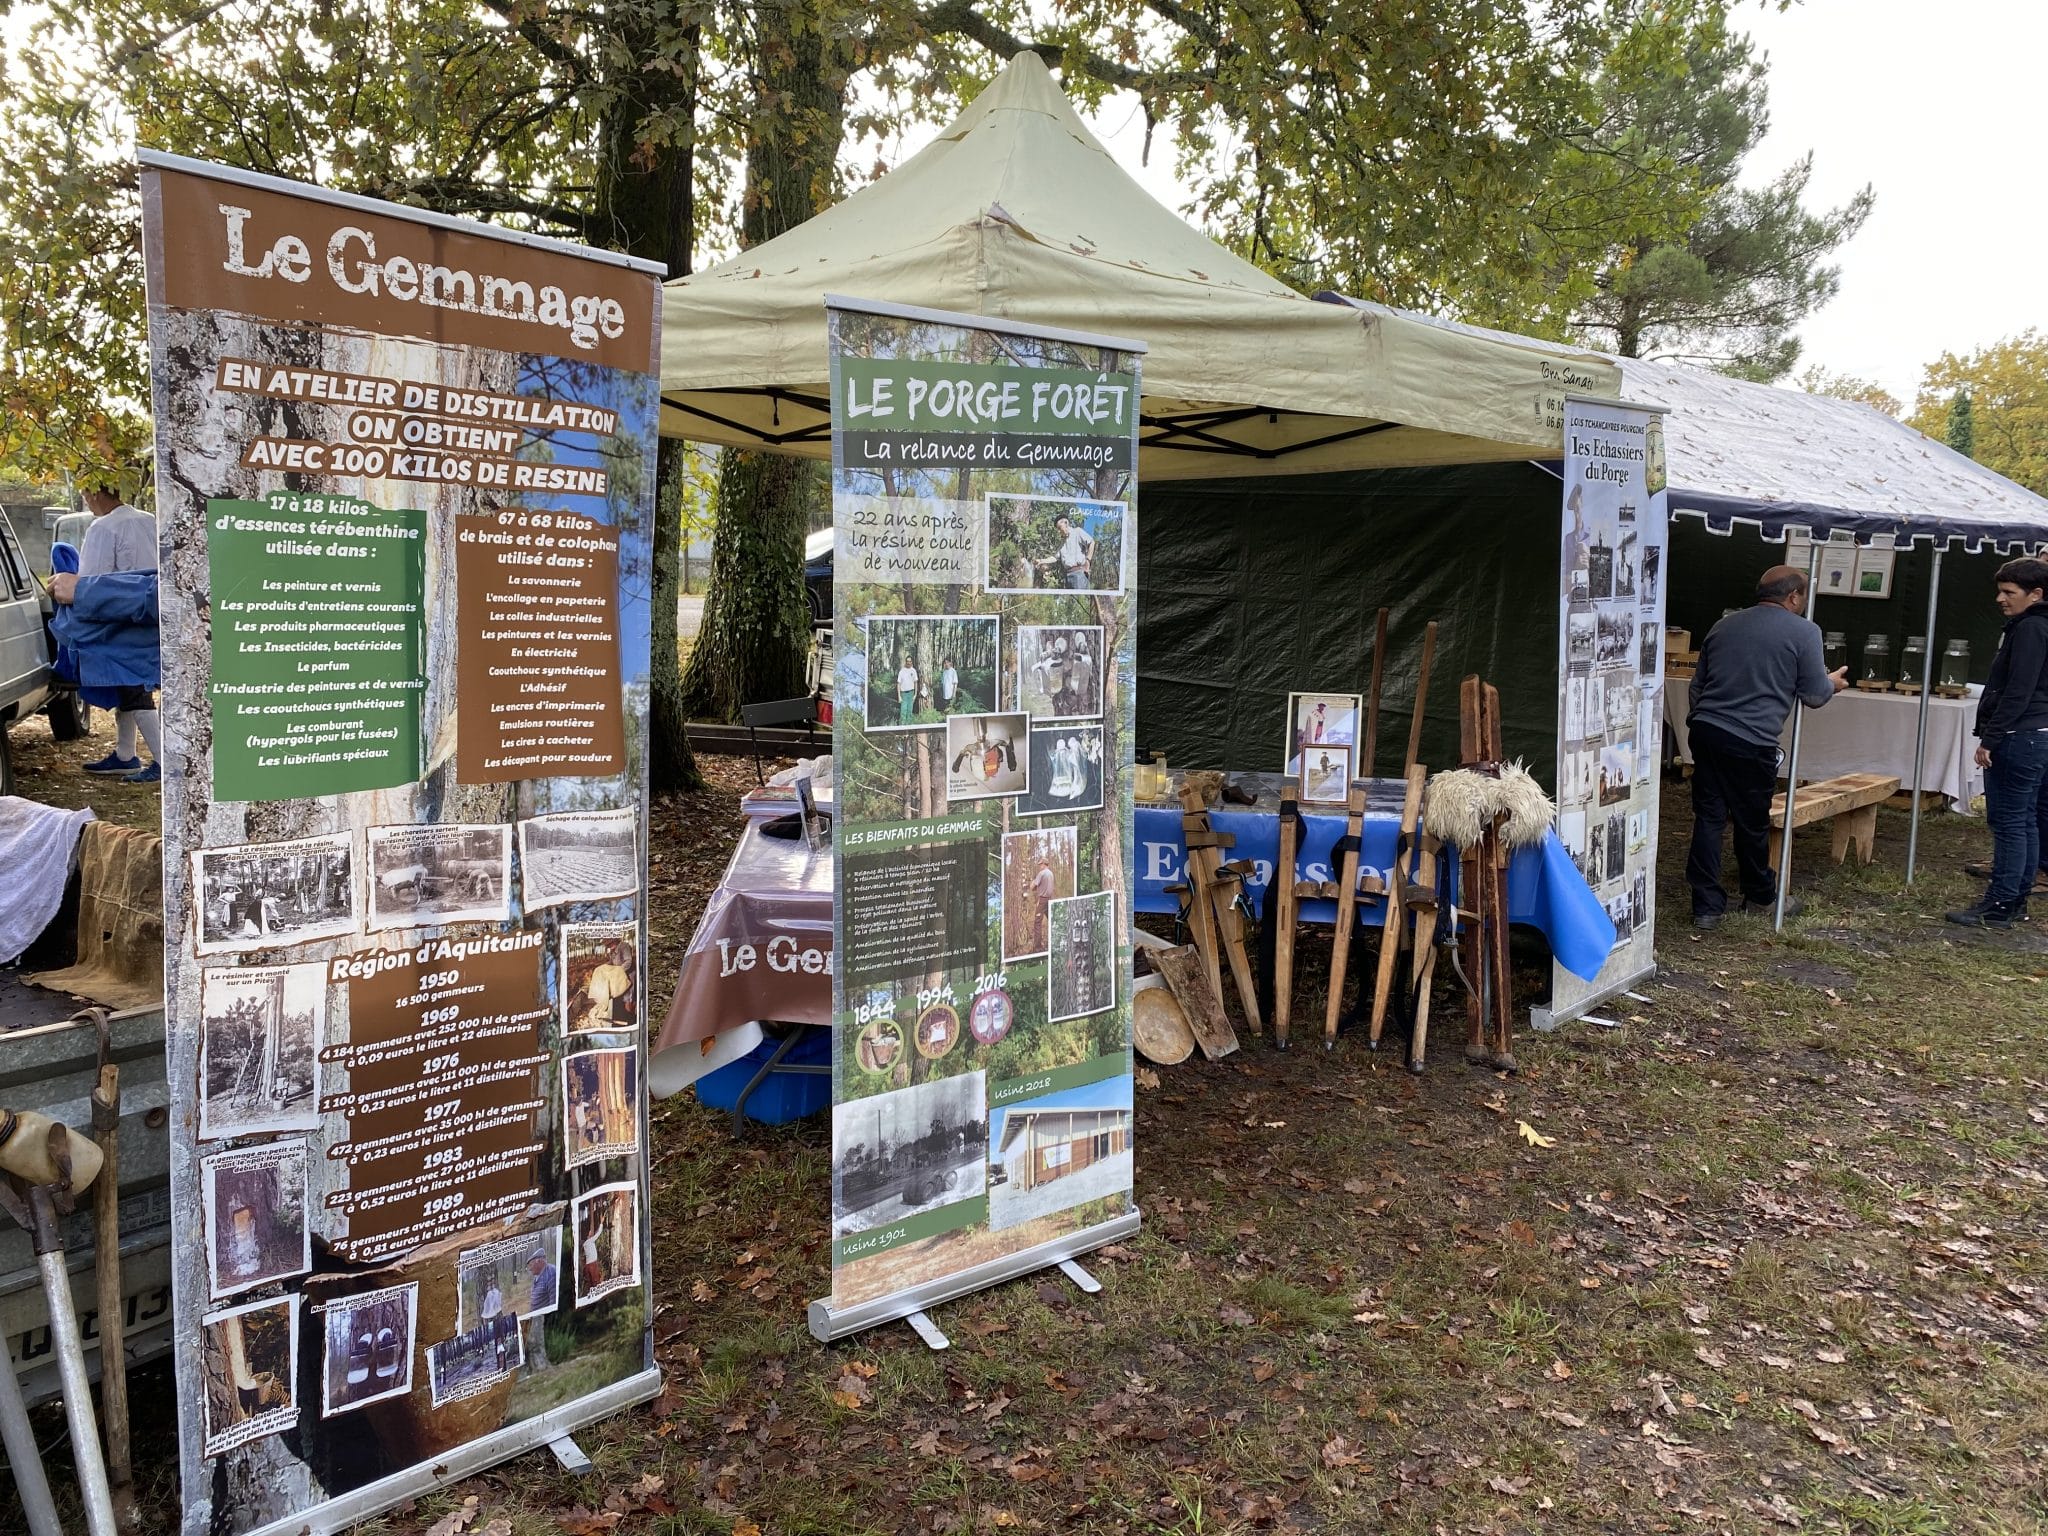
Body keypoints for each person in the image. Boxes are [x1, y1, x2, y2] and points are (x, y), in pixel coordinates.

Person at [1684, 565, 1847, 928]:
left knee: (1709, 819)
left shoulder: (1722, 625)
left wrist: (1707, 719)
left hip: (1708, 730)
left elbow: (1698, 686)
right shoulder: (1805, 632)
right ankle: (1760, 895)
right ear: (1793, 597)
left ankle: (1706, 906)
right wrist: (1832, 683)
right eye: (1803, 595)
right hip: (1751, 739)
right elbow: (1815, 694)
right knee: (1751, 822)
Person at [1948, 558, 2048, 927]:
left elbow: (2018, 690)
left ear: (2035, 594)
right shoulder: (2034, 626)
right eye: (2000, 591)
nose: (2000, 599)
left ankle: (2001, 902)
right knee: (2025, 821)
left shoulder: (2030, 629)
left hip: (2019, 735)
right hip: (2035, 734)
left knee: (2009, 823)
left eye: (2009, 593)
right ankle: (2014, 900)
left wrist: (1991, 738)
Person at [67, 484, 162, 784]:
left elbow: (90, 581)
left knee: (133, 688)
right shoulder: (150, 520)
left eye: (85, 496)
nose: (87, 503)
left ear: (95, 493)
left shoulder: (102, 528)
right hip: (154, 607)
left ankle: (163, 761)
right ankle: (125, 755)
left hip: (119, 614)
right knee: (128, 685)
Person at [523, 1248, 557, 1369]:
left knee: (535, 1343)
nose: (530, 1268)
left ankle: (540, 1366)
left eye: (531, 1265)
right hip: (533, 1316)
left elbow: (553, 1299)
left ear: (539, 1261)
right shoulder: (537, 1276)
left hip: (541, 1317)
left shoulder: (551, 1272)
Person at [1048, 514, 1095, 589]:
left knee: (1081, 599)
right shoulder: (1062, 543)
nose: (1059, 531)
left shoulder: (1077, 531)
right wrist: (1041, 561)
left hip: (1079, 574)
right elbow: (1054, 558)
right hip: (1067, 577)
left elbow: (1091, 542)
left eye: (1059, 528)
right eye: (1057, 529)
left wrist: (1088, 560)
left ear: (1066, 523)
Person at [895, 654, 918, 725]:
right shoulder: (902, 671)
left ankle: (909, 726)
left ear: (912, 662)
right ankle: (902, 726)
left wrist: (915, 694)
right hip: (903, 694)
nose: (908, 662)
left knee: (909, 711)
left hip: (911, 693)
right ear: (905, 662)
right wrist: (899, 696)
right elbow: (898, 684)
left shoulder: (913, 671)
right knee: (903, 711)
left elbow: (915, 683)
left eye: (910, 661)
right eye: (907, 661)